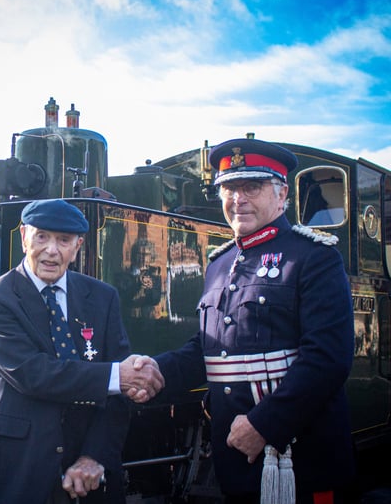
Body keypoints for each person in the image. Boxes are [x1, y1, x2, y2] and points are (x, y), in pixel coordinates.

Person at [132, 138, 355, 504]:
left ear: (282, 194)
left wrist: (265, 425)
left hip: (300, 461)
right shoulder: (219, 263)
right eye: (229, 188)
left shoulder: (314, 257)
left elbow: (327, 360)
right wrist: (153, 372)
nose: (239, 199)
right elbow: (207, 350)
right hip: (236, 463)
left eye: (252, 186)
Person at [0, 198, 164, 504]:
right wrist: (119, 376)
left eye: (63, 240)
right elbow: (33, 374)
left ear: (78, 245)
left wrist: (93, 456)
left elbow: (118, 398)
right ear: (23, 237)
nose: (51, 250)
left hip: (89, 478)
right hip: (19, 467)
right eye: (42, 236)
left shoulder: (103, 297)